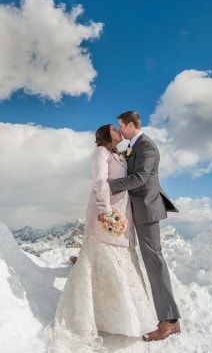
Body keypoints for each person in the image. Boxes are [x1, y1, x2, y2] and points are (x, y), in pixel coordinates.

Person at [51, 124, 157, 350]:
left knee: (117, 262)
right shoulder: (100, 153)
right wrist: (104, 211)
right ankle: (95, 316)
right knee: (102, 259)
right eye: (114, 129)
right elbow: (100, 181)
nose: (119, 132)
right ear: (106, 135)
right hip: (106, 214)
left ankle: (117, 315)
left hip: (121, 215)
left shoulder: (117, 154)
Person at [108, 110, 181, 342]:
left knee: (154, 260)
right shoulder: (133, 145)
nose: (119, 130)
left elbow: (139, 178)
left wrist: (108, 186)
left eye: (121, 125)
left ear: (131, 125)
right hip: (132, 208)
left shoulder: (147, 146)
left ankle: (170, 320)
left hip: (147, 210)